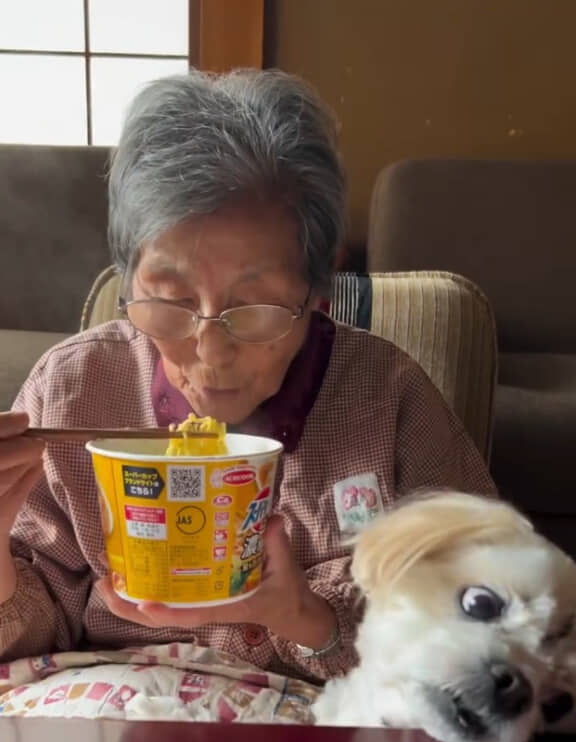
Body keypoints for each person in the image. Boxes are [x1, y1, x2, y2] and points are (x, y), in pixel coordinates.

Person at [0, 68, 494, 684]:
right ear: (128, 281)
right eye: (169, 301)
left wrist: (308, 618)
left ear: (318, 292)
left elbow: (489, 615)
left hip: (321, 731)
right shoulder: (75, 387)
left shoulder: (386, 396)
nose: (210, 349)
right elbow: (29, 641)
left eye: (254, 309)